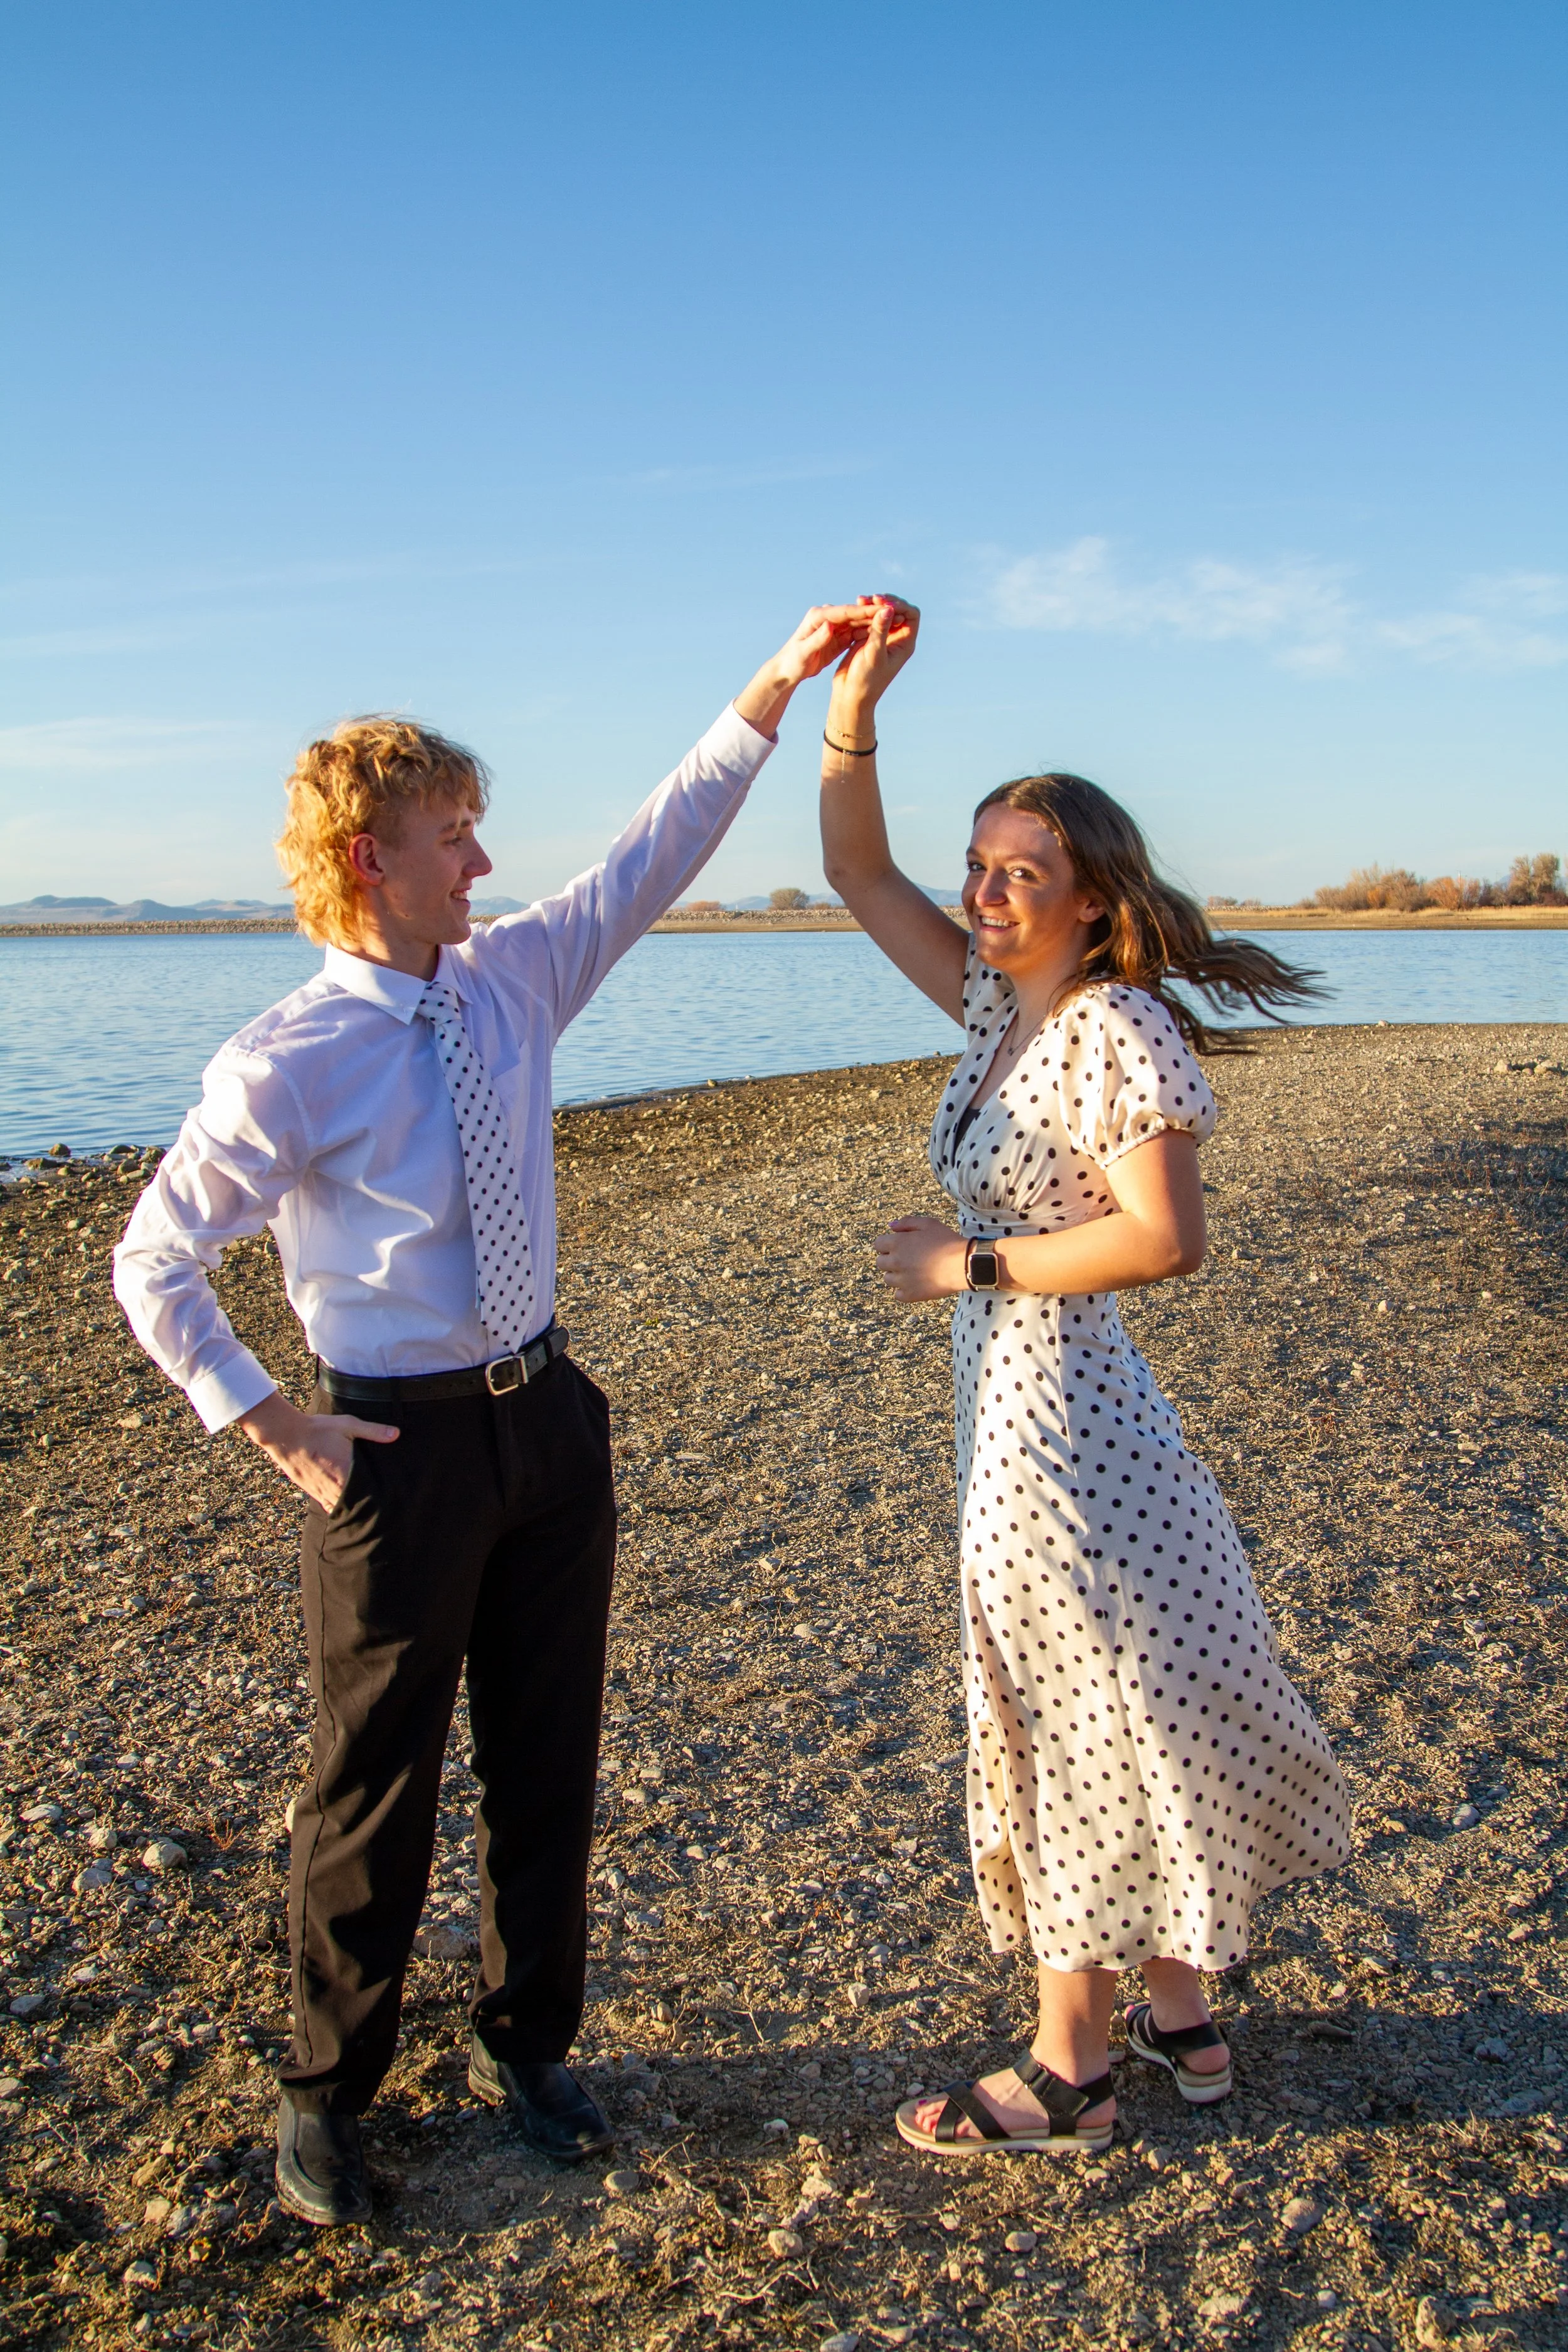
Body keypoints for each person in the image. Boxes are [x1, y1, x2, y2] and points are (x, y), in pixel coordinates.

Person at [112, 603, 873, 2225]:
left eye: (474, 831)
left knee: (547, 1756)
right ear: (365, 855)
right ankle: (326, 2094)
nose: (482, 860)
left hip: (549, 1419)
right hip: (394, 1447)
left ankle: (532, 2042)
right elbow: (154, 1256)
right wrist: (268, 1416)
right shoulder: (286, 1060)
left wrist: (773, 688)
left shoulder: (514, 974)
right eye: (451, 836)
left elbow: (652, 850)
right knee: (373, 1776)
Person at [818, 598, 1350, 2157]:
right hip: (1034, 1410)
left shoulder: (1113, 1023)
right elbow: (856, 869)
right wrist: (856, 710)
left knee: (1066, 1716)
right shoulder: (1004, 1007)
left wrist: (963, 1267)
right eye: (979, 865)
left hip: (1060, 1427)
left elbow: (1164, 1237)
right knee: (1134, 1701)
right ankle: (1177, 2008)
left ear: (1089, 897)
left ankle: (1071, 2072)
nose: (982, 892)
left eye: (1018, 873)